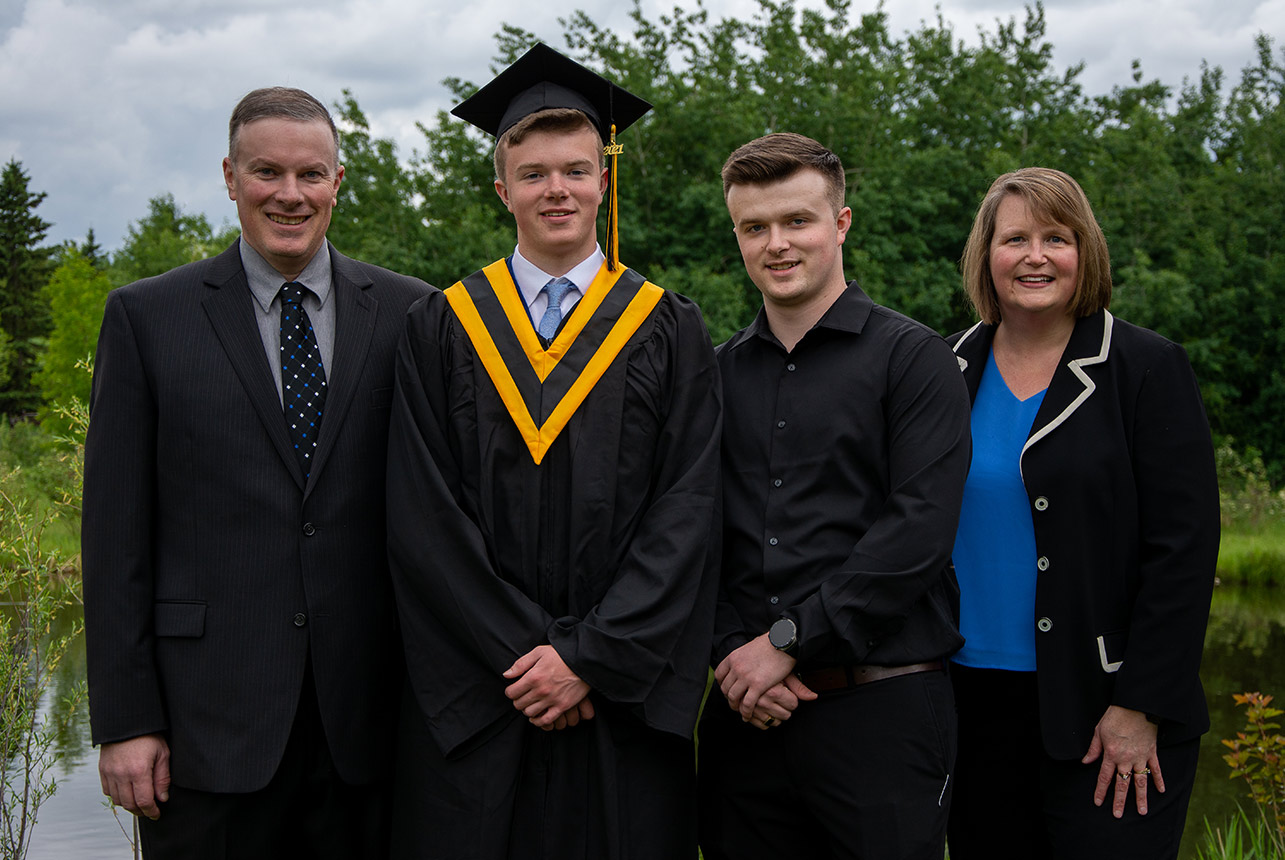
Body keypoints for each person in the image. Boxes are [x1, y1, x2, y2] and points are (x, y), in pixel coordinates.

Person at [384, 43, 721, 859]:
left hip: (620, 700)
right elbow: (424, 515)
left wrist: (589, 659)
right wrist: (526, 660)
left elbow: (688, 509)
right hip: (486, 695)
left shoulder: (668, 328)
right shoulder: (442, 325)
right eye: (533, 174)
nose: (556, 190)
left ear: (602, 179)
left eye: (574, 170)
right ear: (502, 189)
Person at [82, 86, 433, 859]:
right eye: (266, 172)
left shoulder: (414, 315)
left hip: (370, 732)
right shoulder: (147, 319)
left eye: (310, 174)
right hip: (204, 732)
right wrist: (126, 721)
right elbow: (114, 540)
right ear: (230, 176)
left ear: (339, 180)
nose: (289, 194)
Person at [698, 131, 972, 860]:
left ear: (840, 224)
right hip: (746, 715)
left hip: (880, 711)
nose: (776, 244)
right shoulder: (714, 375)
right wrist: (734, 656)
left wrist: (785, 643)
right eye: (753, 227)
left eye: (797, 221)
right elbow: (696, 530)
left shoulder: (913, 360)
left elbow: (915, 532)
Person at [944, 167, 1220, 859]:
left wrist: (1139, 706)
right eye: (1013, 239)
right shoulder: (942, 369)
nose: (1034, 256)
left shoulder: (1145, 368)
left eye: (1055, 238)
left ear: (1083, 251)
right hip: (968, 706)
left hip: (1108, 709)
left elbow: (1182, 553)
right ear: (986, 256)